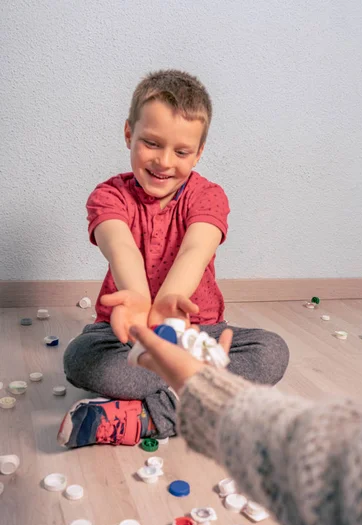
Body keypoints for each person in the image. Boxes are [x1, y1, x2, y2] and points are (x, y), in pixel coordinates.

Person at [59, 69, 289, 450]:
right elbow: (120, 245)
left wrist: (169, 305)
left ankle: (151, 417)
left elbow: (196, 249)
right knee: (80, 359)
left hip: (196, 334)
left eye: (181, 152)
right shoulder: (108, 196)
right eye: (151, 143)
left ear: (198, 153)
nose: (164, 162)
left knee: (272, 352)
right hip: (126, 334)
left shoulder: (209, 196)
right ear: (129, 133)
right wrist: (139, 298)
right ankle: (204, 402)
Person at [127, 323, 362, 525]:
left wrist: (202, 386)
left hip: (202, 353)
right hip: (140, 348)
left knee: (272, 351)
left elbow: (337, 461)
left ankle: (143, 415)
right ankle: (154, 411)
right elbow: (358, 468)